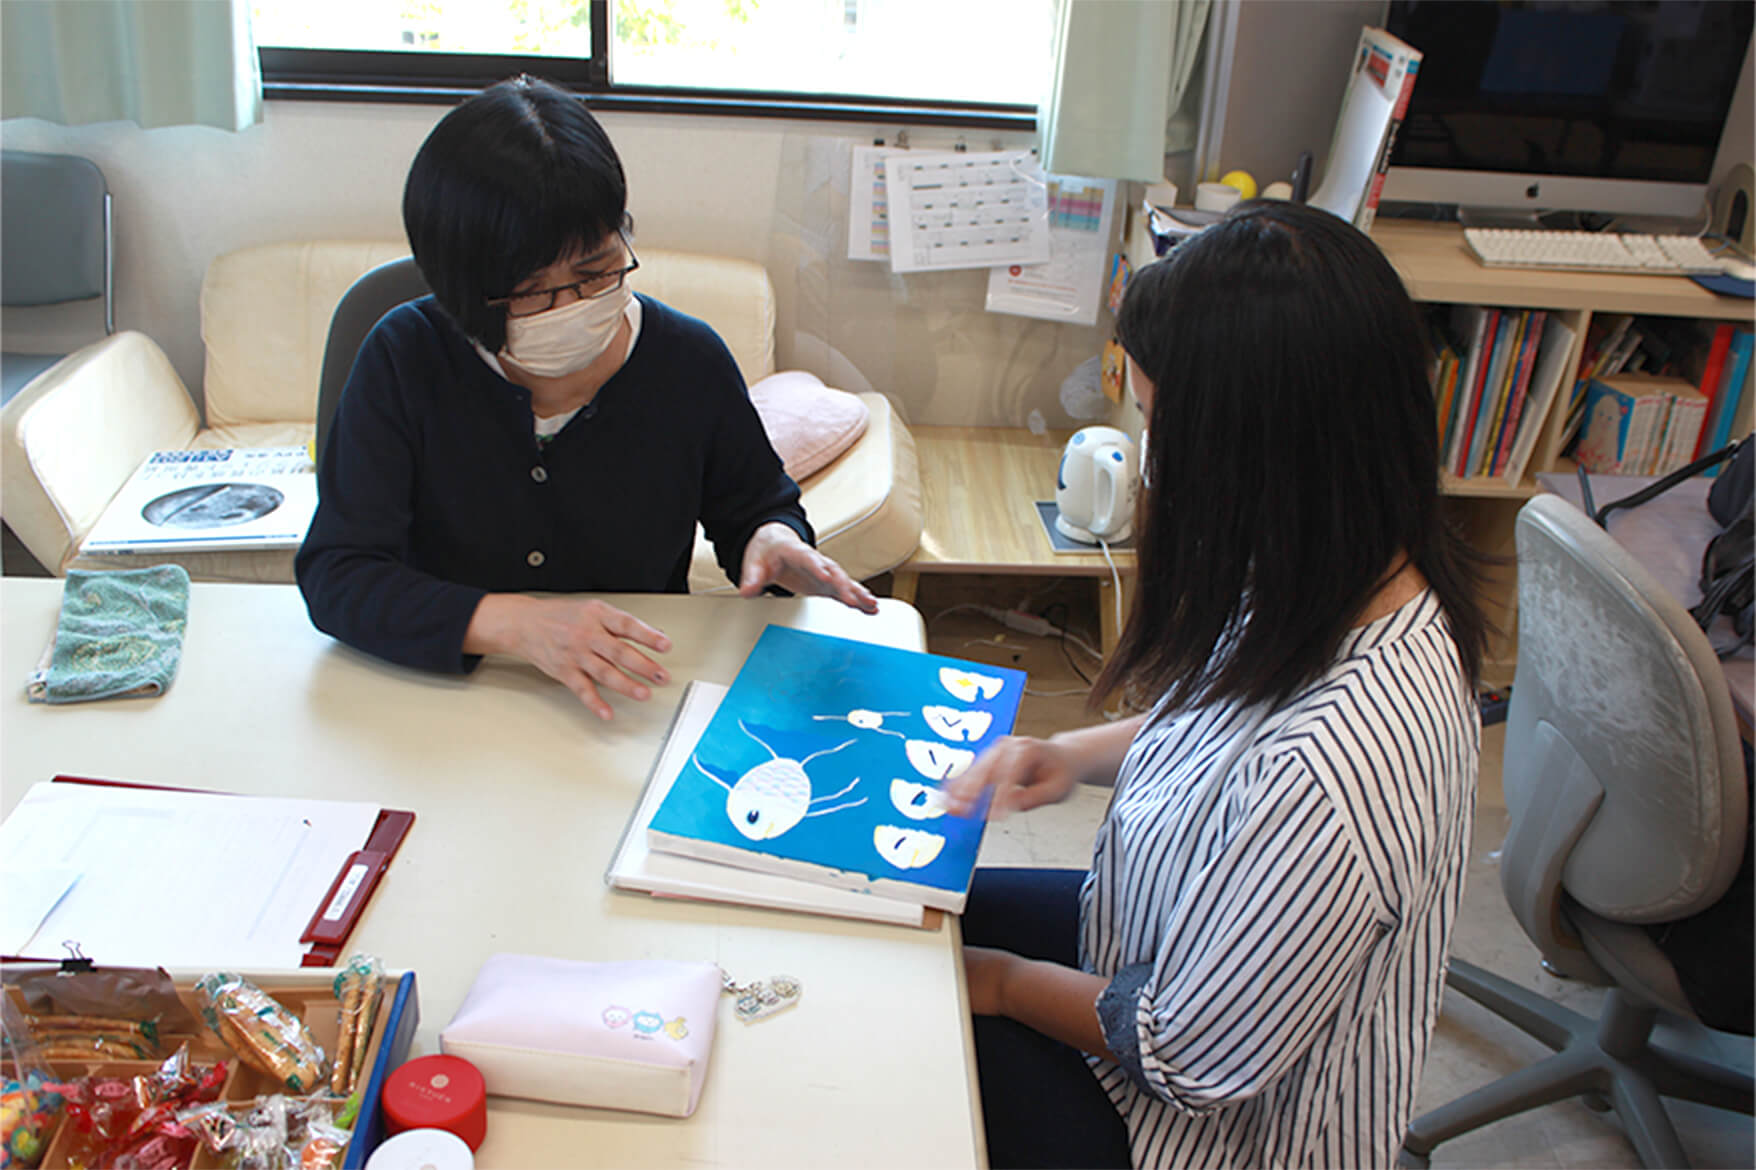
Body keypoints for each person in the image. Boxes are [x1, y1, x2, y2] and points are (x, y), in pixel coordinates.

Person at [942, 200, 1490, 1170]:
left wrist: (998, 986)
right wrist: (1067, 753)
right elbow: (1217, 721)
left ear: (1251, 453)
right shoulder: (1332, 569)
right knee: (919, 909)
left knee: (904, 1052)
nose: (1151, 456)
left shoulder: (1340, 763)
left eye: (1151, 422)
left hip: (1197, 1126)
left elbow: (1183, 1054)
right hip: (1150, 941)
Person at [296, 76, 875, 719]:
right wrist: (513, 624)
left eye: (595, 271)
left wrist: (773, 538)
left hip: (627, 694)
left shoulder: (688, 361)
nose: (571, 307)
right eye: (533, 289)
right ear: (461, 290)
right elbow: (338, 574)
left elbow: (755, 506)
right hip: (440, 700)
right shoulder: (404, 358)